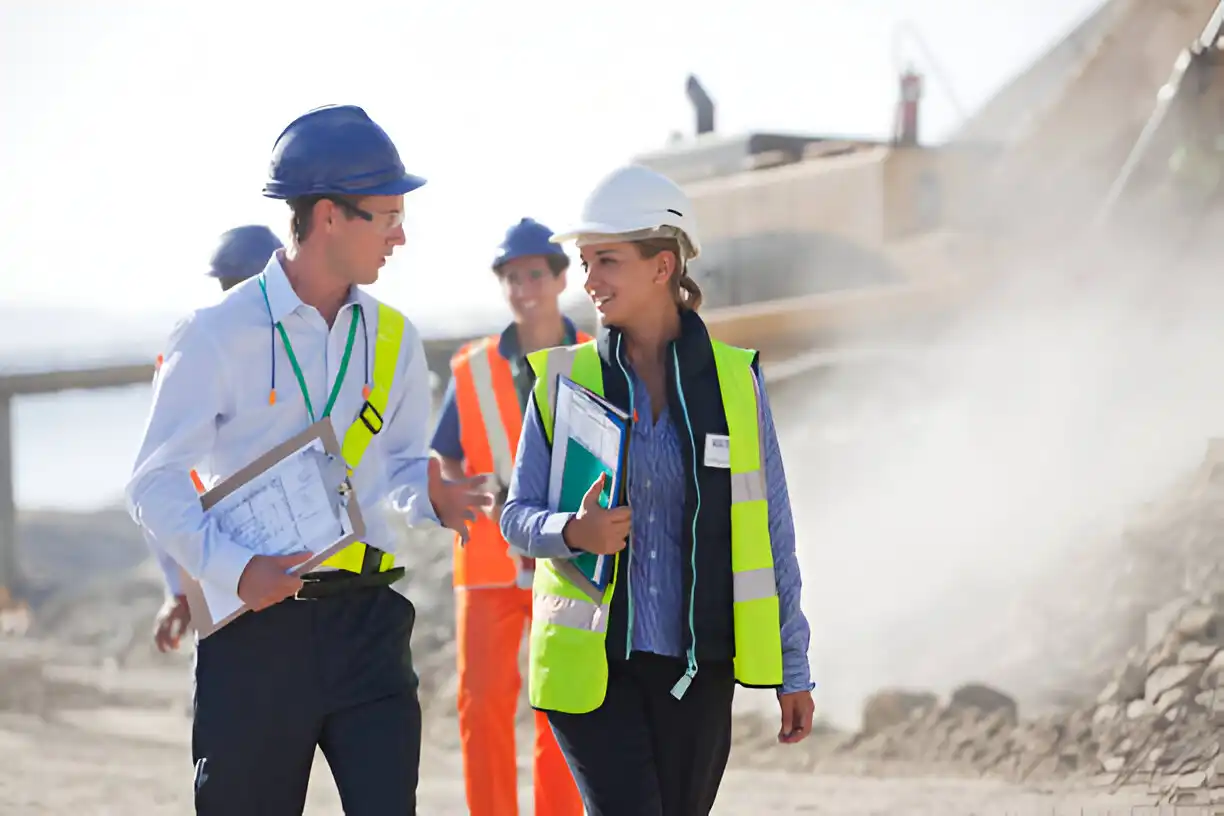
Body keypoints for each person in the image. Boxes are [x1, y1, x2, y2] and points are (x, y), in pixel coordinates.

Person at [125, 104, 490, 815]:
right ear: (328, 216)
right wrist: (235, 571)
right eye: (387, 216)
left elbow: (406, 465)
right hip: (255, 635)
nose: (401, 235)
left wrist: (433, 497)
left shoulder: (396, 338)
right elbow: (154, 483)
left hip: (369, 625)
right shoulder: (214, 336)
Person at [499, 164, 816, 816]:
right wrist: (571, 533)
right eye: (585, 262)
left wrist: (793, 665)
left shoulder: (734, 385)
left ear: (663, 265)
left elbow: (771, 531)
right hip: (593, 672)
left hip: (696, 670)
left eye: (607, 261)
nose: (589, 281)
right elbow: (516, 514)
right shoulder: (566, 380)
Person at [429, 218, 587, 816]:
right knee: (483, 706)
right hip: (491, 563)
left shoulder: (596, 359)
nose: (524, 288)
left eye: (534, 276)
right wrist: (462, 495)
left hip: (572, 556)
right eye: (512, 278)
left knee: (562, 707)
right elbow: (444, 453)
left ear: (559, 279)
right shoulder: (470, 368)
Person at [151, 224, 285, 654]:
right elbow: (161, 484)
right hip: (222, 569)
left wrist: (178, 587)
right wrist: (178, 587)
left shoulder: (299, 359)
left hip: (274, 574)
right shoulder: (193, 361)